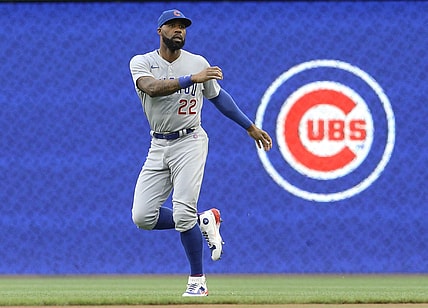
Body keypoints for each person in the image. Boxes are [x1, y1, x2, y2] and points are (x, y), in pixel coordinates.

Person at [129, 8, 272, 297]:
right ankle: (203, 219)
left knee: (182, 213)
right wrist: (191, 79)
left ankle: (198, 281)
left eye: (183, 26)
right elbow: (152, 88)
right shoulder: (142, 62)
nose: (178, 30)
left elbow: (218, 97)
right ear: (160, 31)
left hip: (190, 140)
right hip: (158, 144)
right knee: (142, 216)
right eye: (172, 26)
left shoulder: (197, 62)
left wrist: (250, 126)